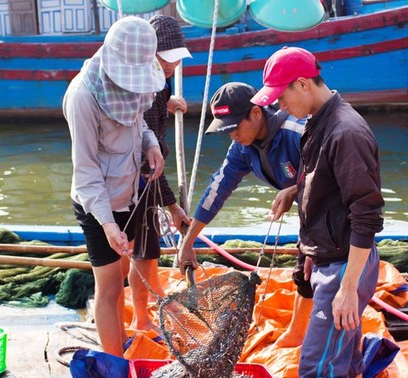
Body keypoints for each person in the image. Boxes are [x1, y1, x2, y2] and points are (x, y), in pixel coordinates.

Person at [252, 46, 384, 377]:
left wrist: (348, 288)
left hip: (345, 266)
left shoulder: (345, 132)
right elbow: (327, 182)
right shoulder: (317, 121)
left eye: (281, 97)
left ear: (302, 84)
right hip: (330, 256)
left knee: (316, 367)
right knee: (343, 358)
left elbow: (366, 213)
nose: (280, 107)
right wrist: (295, 191)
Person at [176, 81, 313, 346]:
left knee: (316, 263)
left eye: (235, 128)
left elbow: (332, 170)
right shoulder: (242, 146)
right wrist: (188, 241)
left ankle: (303, 332)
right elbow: (218, 188)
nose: (233, 136)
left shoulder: (297, 131)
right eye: (227, 132)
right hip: (309, 203)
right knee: (305, 262)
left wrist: (294, 191)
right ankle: (299, 329)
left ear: (256, 113)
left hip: (336, 202)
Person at [63, 16, 165, 357]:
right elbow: (86, 172)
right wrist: (107, 223)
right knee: (108, 288)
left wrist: (150, 145)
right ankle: (113, 364)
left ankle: (118, 340)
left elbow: (139, 123)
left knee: (123, 272)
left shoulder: (135, 86)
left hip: (130, 194)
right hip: (98, 203)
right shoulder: (83, 97)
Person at [128, 15, 192, 335]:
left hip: (150, 172)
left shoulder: (160, 82)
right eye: (167, 58)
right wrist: (173, 206)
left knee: (148, 244)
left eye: (176, 57)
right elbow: (150, 166)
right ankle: (141, 318)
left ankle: (154, 295)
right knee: (144, 250)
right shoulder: (141, 86)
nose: (173, 64)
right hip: (137, 178)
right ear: (150, 53)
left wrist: (170, 100)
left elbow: (158, 99)